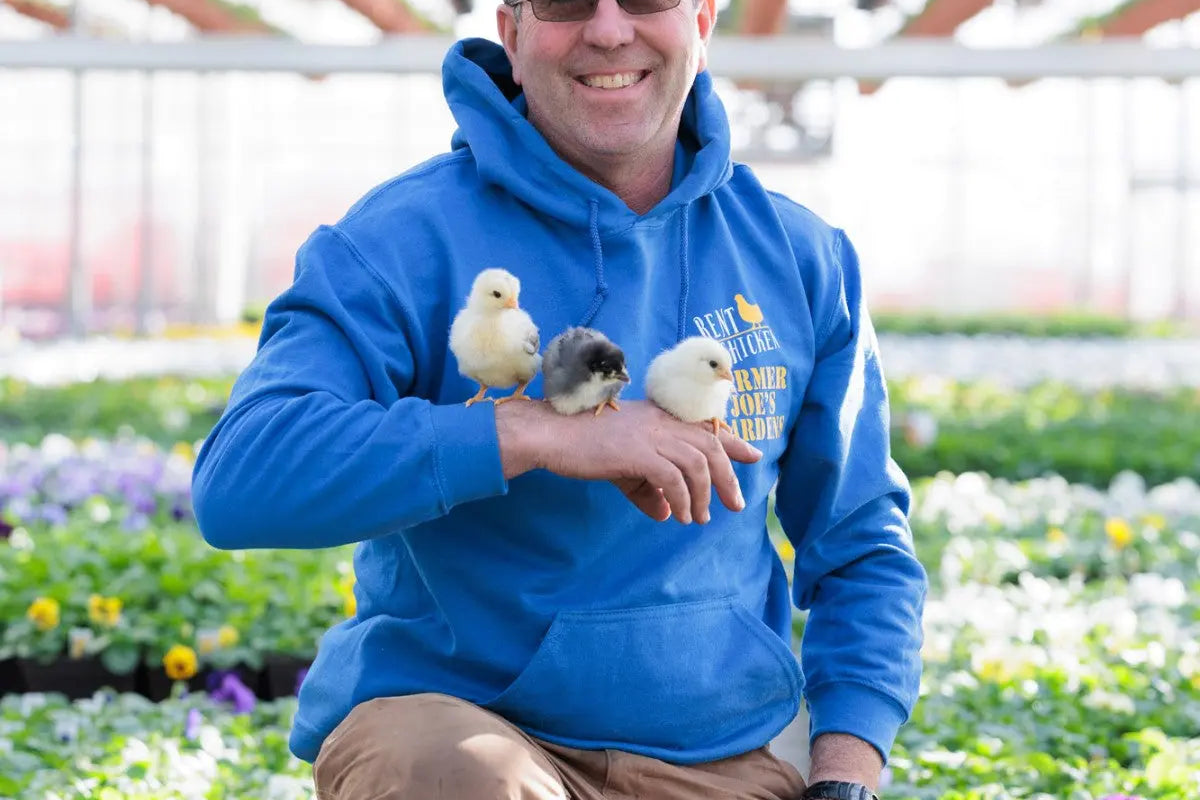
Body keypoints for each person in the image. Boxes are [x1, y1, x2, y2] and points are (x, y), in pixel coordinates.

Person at [191, 0, 927, 795]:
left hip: (724, 762)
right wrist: (533, 434)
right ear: (511, 33)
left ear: (704, 21)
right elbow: (242, 482)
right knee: (446, 772)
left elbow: (862, 546)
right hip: (473, 733)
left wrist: (847, 770)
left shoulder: (800, 255)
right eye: (566, 0)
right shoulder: (398, 241)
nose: (609, 30)